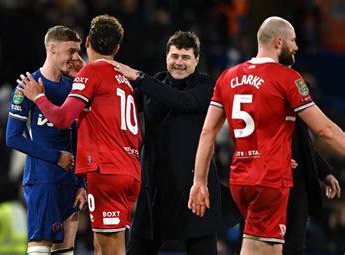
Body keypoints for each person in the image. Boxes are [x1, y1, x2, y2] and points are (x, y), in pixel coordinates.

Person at [188, 16, 345, 255]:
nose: (297, 47)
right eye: (293, 41)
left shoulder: (228, 77)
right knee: (266, 249)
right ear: (279, 42)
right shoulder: (287, 78)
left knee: (257, 247)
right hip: (269, 180)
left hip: (241, 178)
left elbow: (208, 132)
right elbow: (325, 130)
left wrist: (199, 181)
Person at [105, 31, 239, 254]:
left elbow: (183, 102)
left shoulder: (206, 86)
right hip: (155, 191)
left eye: (186, 57)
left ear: (196, 60)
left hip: (193, 191)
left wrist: (139, 78)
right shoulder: (154, 83)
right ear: (166, 57)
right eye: (174, 56)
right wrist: (89, 75)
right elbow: (121, 102)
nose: (179, 62)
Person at [17, 15, 142, 255]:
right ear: (117, 47)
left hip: (106, 171)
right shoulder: (123, 80)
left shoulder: (92, 74)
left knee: (111, 248)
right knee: (101, 245)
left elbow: (64, 119)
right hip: (130, 169)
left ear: (87, 43)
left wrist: (38, 97)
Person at [5, 25, 87, 255]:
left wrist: (81, 183)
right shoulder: (28, 86)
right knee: (40, 247)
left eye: (77, 51)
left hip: (69, 180)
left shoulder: (72, 87)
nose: (75, 57)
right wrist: (54, 156)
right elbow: (12, 138)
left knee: (66, 250)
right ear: (52, 48)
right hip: (44, 178)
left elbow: (77, 137)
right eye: (70, 51)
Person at [284, 118, 341, 255]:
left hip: (295, 186)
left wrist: (325, 173)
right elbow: (326, 130)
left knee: (292, 246)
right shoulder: (279, 100)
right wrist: (276, 157)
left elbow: (303, 145)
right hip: (271, 183)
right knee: (261, 243)